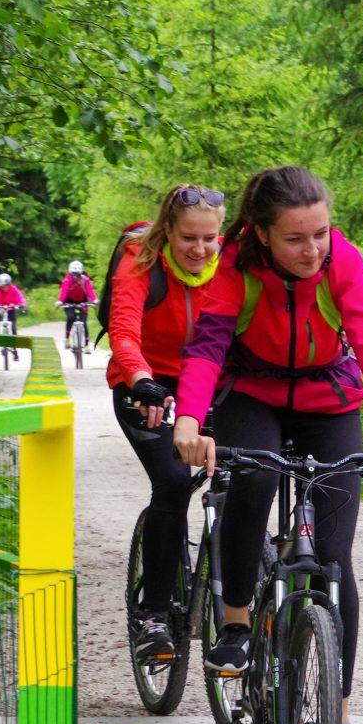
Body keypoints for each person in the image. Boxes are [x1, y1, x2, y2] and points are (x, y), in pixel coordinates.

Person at [172, 166, 363, 724]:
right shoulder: (236, 267)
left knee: (335, 559)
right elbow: (206, 347)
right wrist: (189, 419)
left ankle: (338, 723)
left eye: (320, 233)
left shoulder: (343, 262)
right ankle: (237, 622)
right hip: (252, 394)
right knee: (255, 478)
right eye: (294, 238)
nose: (312, 249)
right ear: (262, 234)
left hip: (328, 400)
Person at [107, 185, 227, 658]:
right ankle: (154, 614)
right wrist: (142, 380)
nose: (199, 249)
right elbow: (124, 330)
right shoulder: (140, 259)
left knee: (244, 475)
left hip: (212, 382)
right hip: (147, 385)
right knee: (174, 482)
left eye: (209, 239)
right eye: (188, 239)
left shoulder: (231, 264)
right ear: (167, 232)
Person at [58, 260, 97, 347]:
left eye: (77, 274)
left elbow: (90, 290)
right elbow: (64, 291)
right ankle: (67, 339)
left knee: (83, 322)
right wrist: (60, 301)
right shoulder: (67, 280)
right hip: (69, 302)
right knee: (70, 317)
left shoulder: (85, 280)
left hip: (83, 302)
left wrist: (94, 300)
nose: (75, 277)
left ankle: (86, 345)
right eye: (73, 274)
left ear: (81, 273)